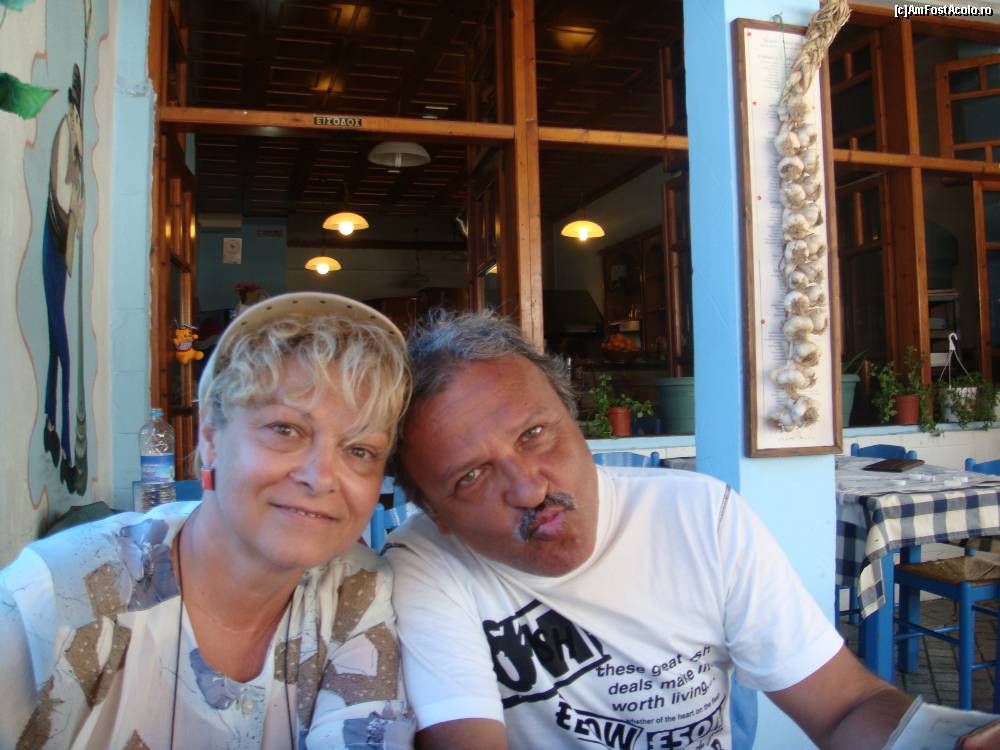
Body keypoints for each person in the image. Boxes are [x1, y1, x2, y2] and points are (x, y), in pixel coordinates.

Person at [384, 310, 1000, 750]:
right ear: (435, 513)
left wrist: (946, 738)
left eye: (534, 433)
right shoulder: (425, 563)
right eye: (471, 476)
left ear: (575, 419)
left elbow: (846, 705)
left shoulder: (701, 517)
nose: (527, 488)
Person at [0, 292, 415, 749]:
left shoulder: (357, 591)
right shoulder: (50, 600)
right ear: (211, 437)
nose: (320, 477)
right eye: (285, 429)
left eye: (360, 450)